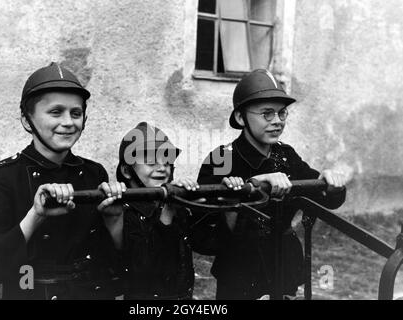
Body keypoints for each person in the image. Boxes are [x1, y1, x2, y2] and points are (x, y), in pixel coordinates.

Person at [0, 62, 123, 300]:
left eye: (76, 113)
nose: (69, 122)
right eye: (56, 112)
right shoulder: (2, 177)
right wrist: (35, 215)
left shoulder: (95, 174)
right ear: (26, 119)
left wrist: (115, 220)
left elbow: (112, 259)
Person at [197, 69, 347, 299]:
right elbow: (201, 230)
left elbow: (322, 197)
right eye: (267, 114)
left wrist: (331, 185)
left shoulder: (286, 156)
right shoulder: (221, 160)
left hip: (283, 267)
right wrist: (252, 186)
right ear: (240, 117)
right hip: (240, 274)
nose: (277, 121)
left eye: (282, 113)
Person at [102, 121, 224, 300]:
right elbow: (142, 271)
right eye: (151, 162)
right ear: (127, 171)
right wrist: (168, 211)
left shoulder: (178, 208)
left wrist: (223, 205)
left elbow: (209, 245)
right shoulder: (122, 211)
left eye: (167, 162)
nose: (162, 168)